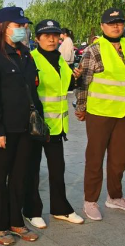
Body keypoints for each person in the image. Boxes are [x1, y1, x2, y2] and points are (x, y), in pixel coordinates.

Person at [0, 6, 42, 245]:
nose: (23, 29)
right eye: (18, 25)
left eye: (24, 25)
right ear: (4, 27)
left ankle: (16, 220)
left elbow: (32, 90)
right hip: (4, 128)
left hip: (26, 126)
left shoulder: (25, 53)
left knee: (19, 175)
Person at [74, 8, 125, 221]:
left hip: (124, 112)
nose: (116, 26)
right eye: (111, 23)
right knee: (95, 158)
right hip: (99, 112)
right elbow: (83, 81)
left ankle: (115, 197)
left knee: (120, 158)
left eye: (119, 22)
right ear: (102, 26)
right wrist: (81, 107)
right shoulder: (94, 50)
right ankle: (90, 200)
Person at [23, 19, 84, 229]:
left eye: (55, 35)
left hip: (57, 126)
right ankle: (31, 211)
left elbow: (64, 88)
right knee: (32, 170)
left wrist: (76, 79)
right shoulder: (30, 59)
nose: (51, 39)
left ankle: (60, 208)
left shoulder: (60, 60)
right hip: (36, 126)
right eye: (46, 35)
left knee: (57, 169)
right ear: (37, 38)